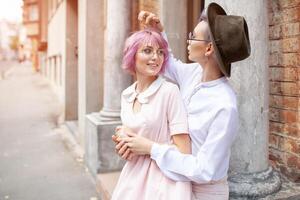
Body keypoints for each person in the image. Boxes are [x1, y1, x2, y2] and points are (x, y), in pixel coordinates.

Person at [113, 2, 251, 200]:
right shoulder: (194, 73)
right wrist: (158, 33)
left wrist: (150, 148)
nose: (188, 40)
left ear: (209, 48)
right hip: (172, 183)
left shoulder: (225, 106)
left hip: (204, 192)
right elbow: (167, 63)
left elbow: (205, 170)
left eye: (193, 36)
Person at [111, 28, 192, 200]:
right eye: (147, 51)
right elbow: (134, 134)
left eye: (160, 52)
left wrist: (147, 147)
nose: (156, 57)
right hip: (132, 176)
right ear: (132, 56)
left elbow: (184, 152)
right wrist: (123, 142)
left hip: (164, 181)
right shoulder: (127, 95)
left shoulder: (169, 91)